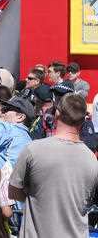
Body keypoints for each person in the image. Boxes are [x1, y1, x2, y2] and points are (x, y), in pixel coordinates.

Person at [10, 93, 98, 237]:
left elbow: (13, 191)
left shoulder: (33, 149)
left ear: (57, 113)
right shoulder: (91, 159)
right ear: (83, 119)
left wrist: (37, 195)